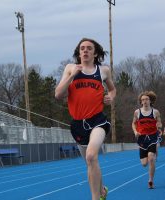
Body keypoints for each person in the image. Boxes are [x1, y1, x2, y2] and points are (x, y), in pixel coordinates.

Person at [55, 38, 116, 200]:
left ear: (95, 53)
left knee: (90, 156)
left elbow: (112, 89)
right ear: (78, 52)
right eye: (82, 48)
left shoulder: (103, 70)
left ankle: (95, 198)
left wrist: (110, 97)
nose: (85, 50)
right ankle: (101, 189)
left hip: (98, 121)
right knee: (90, 162)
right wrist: (73, 75)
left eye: (89, 48)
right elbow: (58, 94)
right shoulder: (70, 68)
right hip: (77, 124)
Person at [132, 91, 162, 189]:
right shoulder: (137, 112)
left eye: (146, 99)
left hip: (152, 137)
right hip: (142, 139)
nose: (145, 101)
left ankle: (151, 180)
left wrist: (159, 126)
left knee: (151, 158)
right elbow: (133, 123)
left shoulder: (155, 112)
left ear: (150, 101)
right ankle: (153, 152)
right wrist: (135, 131)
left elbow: (160, 122)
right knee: (144, 163)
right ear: (141, 102)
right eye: (143, 100)